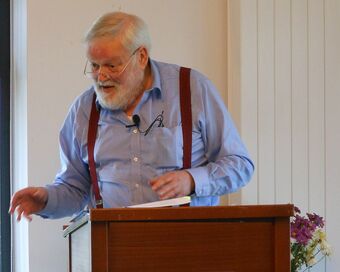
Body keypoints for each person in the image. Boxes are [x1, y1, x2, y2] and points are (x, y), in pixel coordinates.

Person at [9, 11, 254, 221]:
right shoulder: (83, 111)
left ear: (141, 57)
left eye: (112, 65)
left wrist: (192, 180)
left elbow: (240, 165)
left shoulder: (192, 90)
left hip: (188, 244)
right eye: (94, 65)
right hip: (112, 250)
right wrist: (46, 200)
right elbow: (76, 189)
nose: (101, 76)